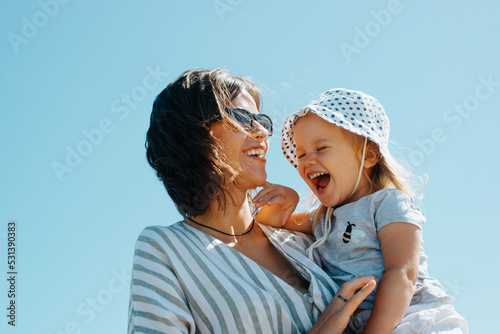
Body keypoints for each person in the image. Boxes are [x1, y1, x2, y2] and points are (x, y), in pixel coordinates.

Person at [127, 70, 377, 334]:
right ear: (193, 137)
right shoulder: (165, 249)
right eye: (242, 118)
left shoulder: (300, 238)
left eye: (262, 120)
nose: (261, 132)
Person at [254, 88, 469, 333]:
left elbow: (402, 272)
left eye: (321, 148)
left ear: (368, 155)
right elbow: (273, 223)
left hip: (411, 317)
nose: (306, 161)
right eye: (301, 154)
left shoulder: (387, 203)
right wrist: (286, 198)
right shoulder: (323, 219)